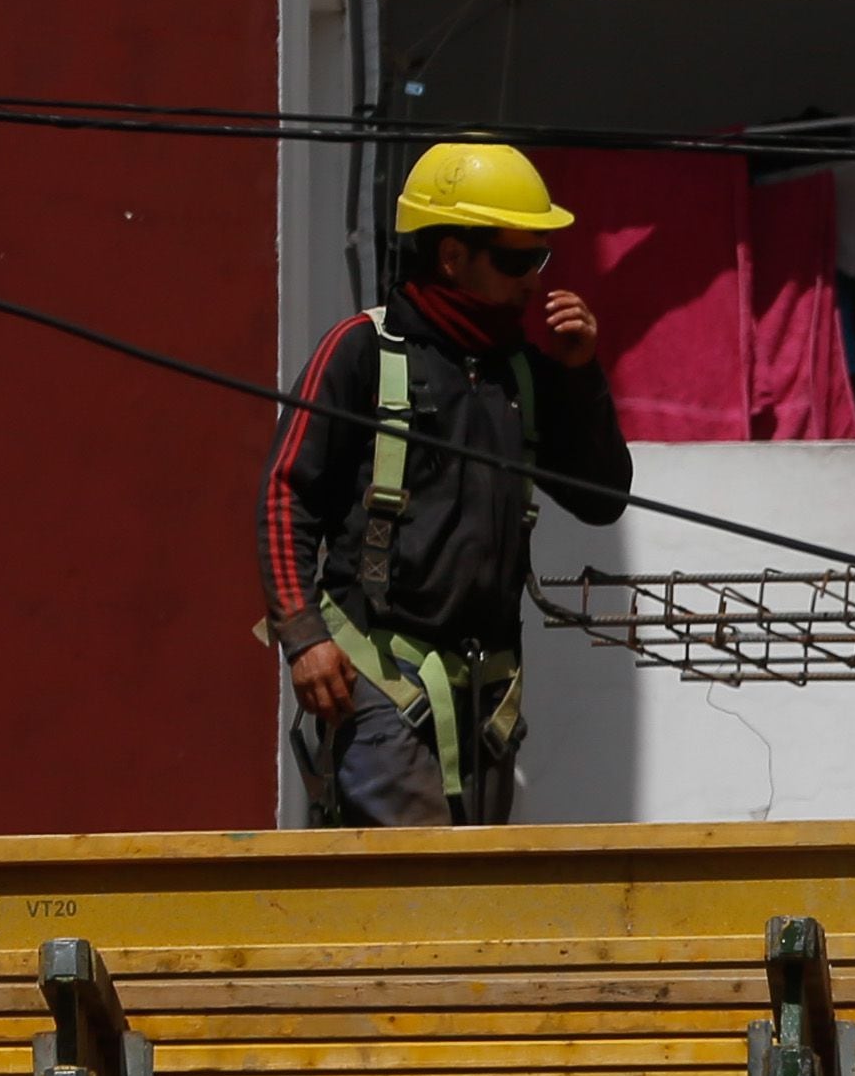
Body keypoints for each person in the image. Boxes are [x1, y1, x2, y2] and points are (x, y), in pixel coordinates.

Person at [265, 142, 633, 825]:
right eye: (515, 258)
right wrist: (305, 637)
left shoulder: (519, 374)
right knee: (418, 891)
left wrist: (581, 375)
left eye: (540, 258)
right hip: (377, 677)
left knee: (471, 902)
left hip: (484, 693)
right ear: (451, 256)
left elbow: (602, 496)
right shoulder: (363, 352)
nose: (532, 279)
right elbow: (286, 492)